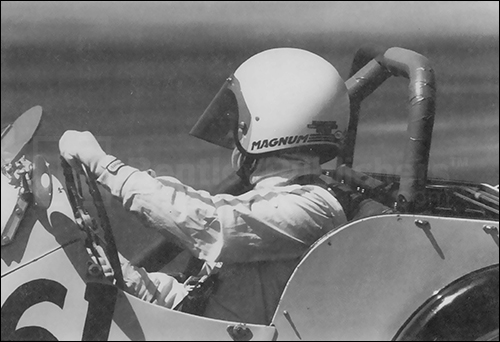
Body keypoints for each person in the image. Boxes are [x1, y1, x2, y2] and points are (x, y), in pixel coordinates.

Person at [59, 48, 350, 325]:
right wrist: (125, 275)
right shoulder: (272, 206)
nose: (235, 130)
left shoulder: (313, 209)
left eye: (241, 121)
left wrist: (103, 166)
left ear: (276, 123)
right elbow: (198, 304)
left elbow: (209, 224)